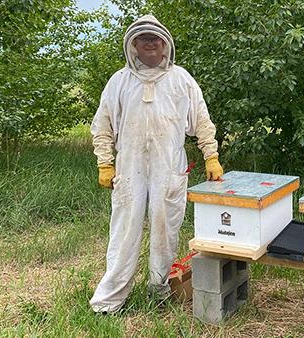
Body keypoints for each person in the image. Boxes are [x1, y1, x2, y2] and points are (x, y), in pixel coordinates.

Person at [89, 14, 223, 313]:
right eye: (142, 38)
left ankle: (159, 290)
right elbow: (103, 125)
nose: (150, 42)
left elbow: (201, 120)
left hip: (169, 167)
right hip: (129, 167)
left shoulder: (181, 79)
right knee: (124, 230)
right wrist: (105, 163)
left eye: (155, 38)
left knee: (166, 229)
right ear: (133, 46)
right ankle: (109, 301)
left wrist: (210, 155)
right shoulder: (119, 81)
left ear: (165, 46)